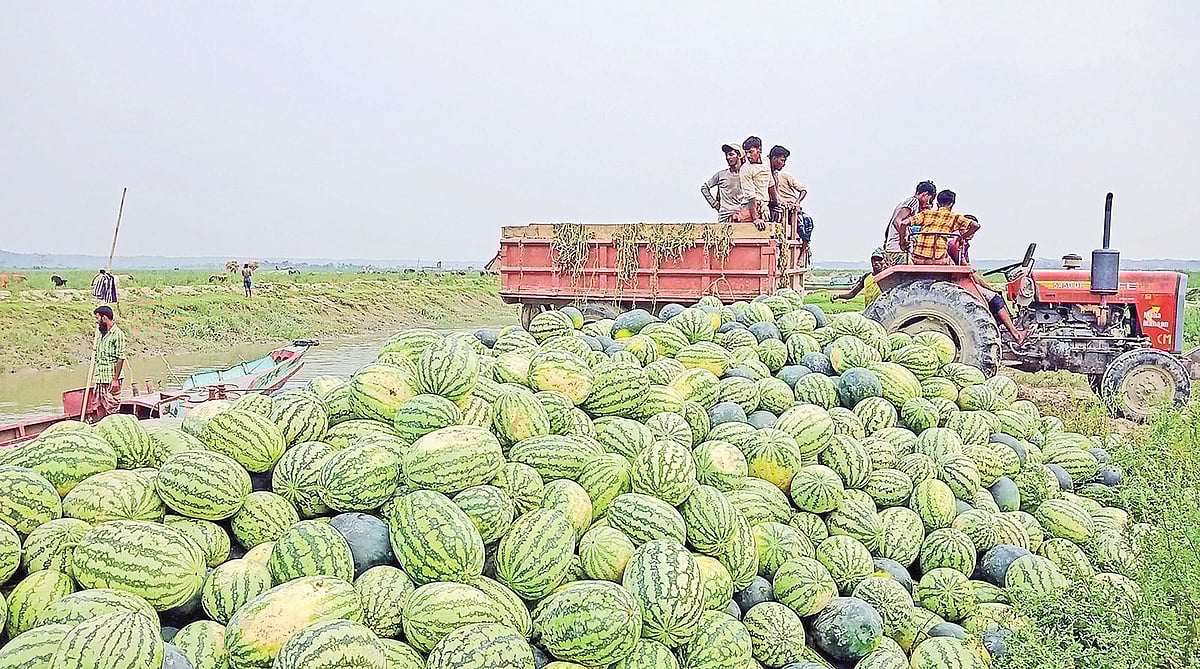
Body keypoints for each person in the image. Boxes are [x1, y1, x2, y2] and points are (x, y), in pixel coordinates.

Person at [910, 190, 1028, 343]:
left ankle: (1006, 329)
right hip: (957, 277)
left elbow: (906, 222)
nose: (967, 233)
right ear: (952, 205)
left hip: (925, 260)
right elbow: (968, 268)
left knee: (994, 296)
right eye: (964, 230)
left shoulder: (929, 217)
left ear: (938, 202)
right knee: (995, 299)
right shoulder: (954, 242)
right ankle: (1015, 334)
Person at [882, 180, 938, 267]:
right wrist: (903, 241)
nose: (928, 203)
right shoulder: (913, 201)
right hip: (899, 250)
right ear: (925, 194)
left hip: (892, 248)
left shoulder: (904, 203)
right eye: (929, 199)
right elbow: (897, 221)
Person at [89, 305, 126, 420]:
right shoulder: (101, 334)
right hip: (100, 377)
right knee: (99, 407)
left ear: (104, 318)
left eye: (97, 318)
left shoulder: (118, 334)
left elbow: (121, 358)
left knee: (111, 408)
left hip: (111, 378)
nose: (96, 322)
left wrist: (115, 379)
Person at [700, 143, 746, 222]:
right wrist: (714, 204)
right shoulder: (721, 175)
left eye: (731, 154)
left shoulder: (746, 174)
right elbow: (704, 188)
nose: (728, 158)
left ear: (739, 155)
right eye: (727, 155)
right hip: (725, 215)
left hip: (741, 214)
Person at [738, 136, 774, 230]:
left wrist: (778, 203)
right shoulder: (745, 169)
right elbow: (751, 195)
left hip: (764, 206)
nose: (748, 155)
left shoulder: (766, 161)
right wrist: (756, 218)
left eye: (751, 152)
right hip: (750, 208)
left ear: (759, 150)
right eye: (746, 153)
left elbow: (770, 183)